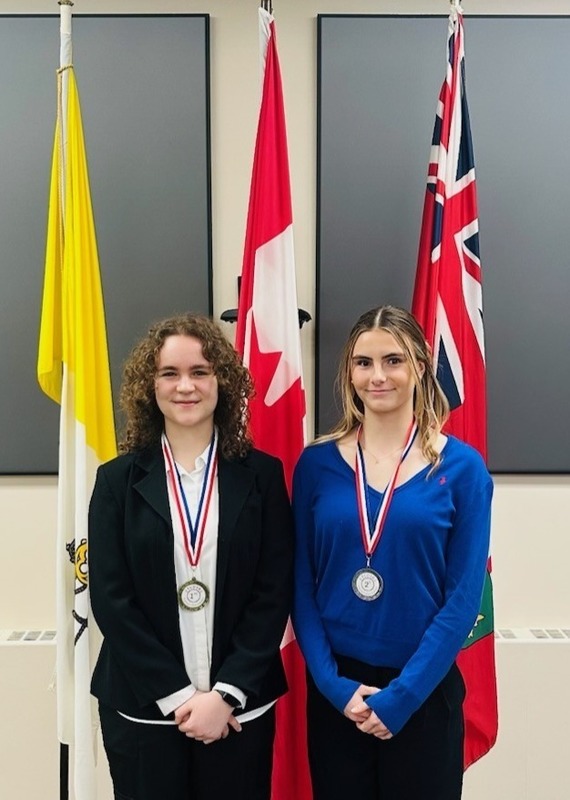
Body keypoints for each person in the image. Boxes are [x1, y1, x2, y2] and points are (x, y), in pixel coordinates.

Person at [88, 313, 293, 800]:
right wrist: (182, 698)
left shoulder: (262, 476)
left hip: (240, 711)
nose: (186, 386)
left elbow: (274, 590)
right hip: (143, 711)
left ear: (222, 381)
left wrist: (225, 695)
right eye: (170, 373)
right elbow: (112, 601)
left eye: (200, 372)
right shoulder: (116, 481)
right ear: (149, 385)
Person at [292, 305, 493, 800]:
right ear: (349, 372)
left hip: (422, 692)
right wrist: (335, 688)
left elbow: (464, 597)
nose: (377, 376)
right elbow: (300, 583)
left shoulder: (463, 469)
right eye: (363, 363)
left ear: (420, 367)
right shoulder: (316, 464)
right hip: (340, 696)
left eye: (393, 361)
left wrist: (402, 697)